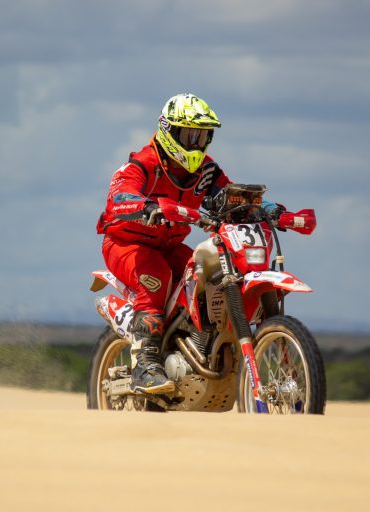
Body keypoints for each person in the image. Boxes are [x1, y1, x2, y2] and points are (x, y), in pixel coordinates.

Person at [96, 93, 283, 394]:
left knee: (206, 277)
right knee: (156, 278)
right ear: (169, 131)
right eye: (189, 134)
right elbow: (119, 196)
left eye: (202, 136)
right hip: (125, 244)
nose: (196, 143)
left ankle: (198, 345)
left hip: (169, 246)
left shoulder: (207, 171)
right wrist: (144, 206)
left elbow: (232, 197)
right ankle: (146, 364)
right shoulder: (141, 165)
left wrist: (273, 210)